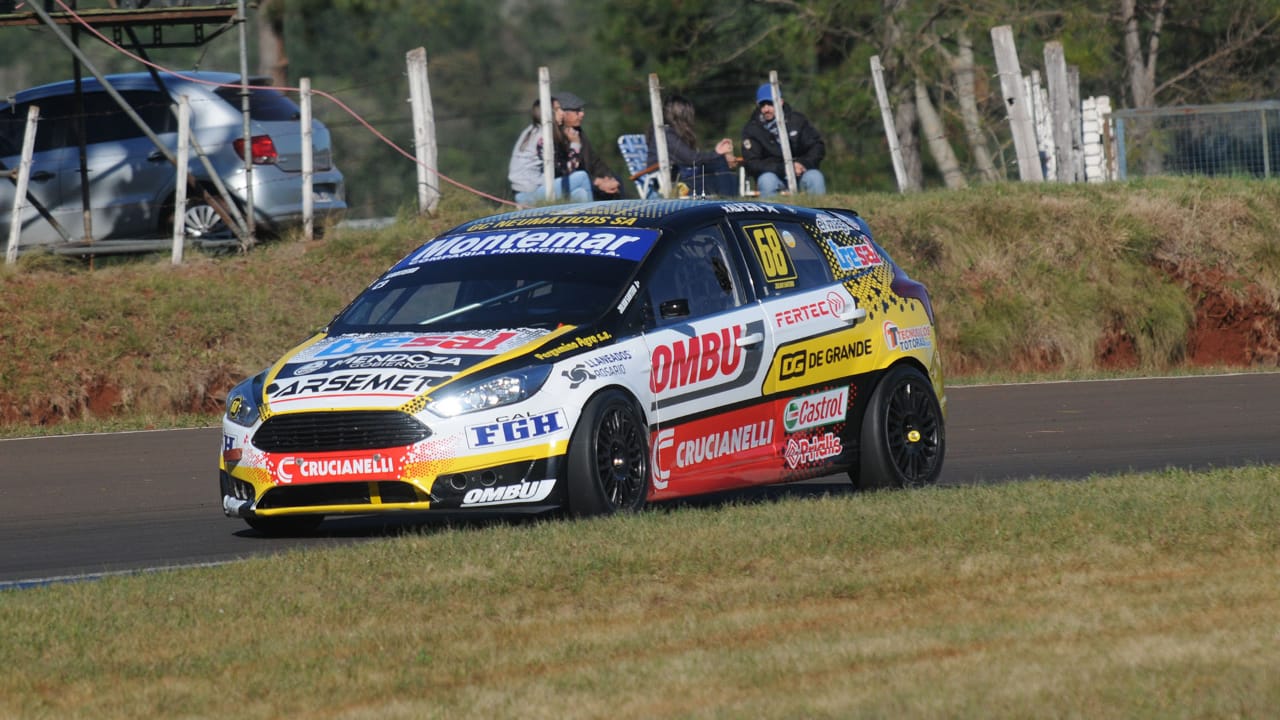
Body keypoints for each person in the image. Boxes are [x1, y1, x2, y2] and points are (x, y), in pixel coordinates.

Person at [741, 83, 827, 197]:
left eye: (770, 104)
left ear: (780, 102)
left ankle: (817, 208)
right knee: (767, 182)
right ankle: (771, 209)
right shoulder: (752, 129)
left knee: (815, 177)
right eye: (762, 105)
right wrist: (783, 169)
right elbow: (752, 163)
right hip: (772, 175)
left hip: (800, 172)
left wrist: (803, 164)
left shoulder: (797, 121)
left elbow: (817, 146)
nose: (766, 109)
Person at [646, 94, 739, 197]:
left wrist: (717, 153)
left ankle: (730, 198)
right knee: (719, 162)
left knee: (720, 163)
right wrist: (716, 153)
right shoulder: (666, 135)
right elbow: (692, 159)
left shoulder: (668, 133)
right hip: (676, 185)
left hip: (683, 178)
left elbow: (691, 159)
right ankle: (729, 200)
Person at [508, 98, 592, 205]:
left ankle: (579, 216)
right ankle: (595, 214)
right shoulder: (543, 137)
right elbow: (567, 169)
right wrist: (575, 144)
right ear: (548, 113)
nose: (562, 113)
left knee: (580, 193)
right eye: (557, 109)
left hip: (531, 190)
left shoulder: (533, 130)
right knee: (582, 177)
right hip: (529, 194)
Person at [554, 91, 627, 200]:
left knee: (617, 181)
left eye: (581, 110)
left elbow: (594, 161)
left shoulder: (578, 132)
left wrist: (608, 177)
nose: (582, 114)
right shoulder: (554, 137)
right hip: (570, 184)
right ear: (563, 113)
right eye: (577, 111)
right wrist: (598, 182)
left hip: (589, 178)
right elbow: (565, 172)